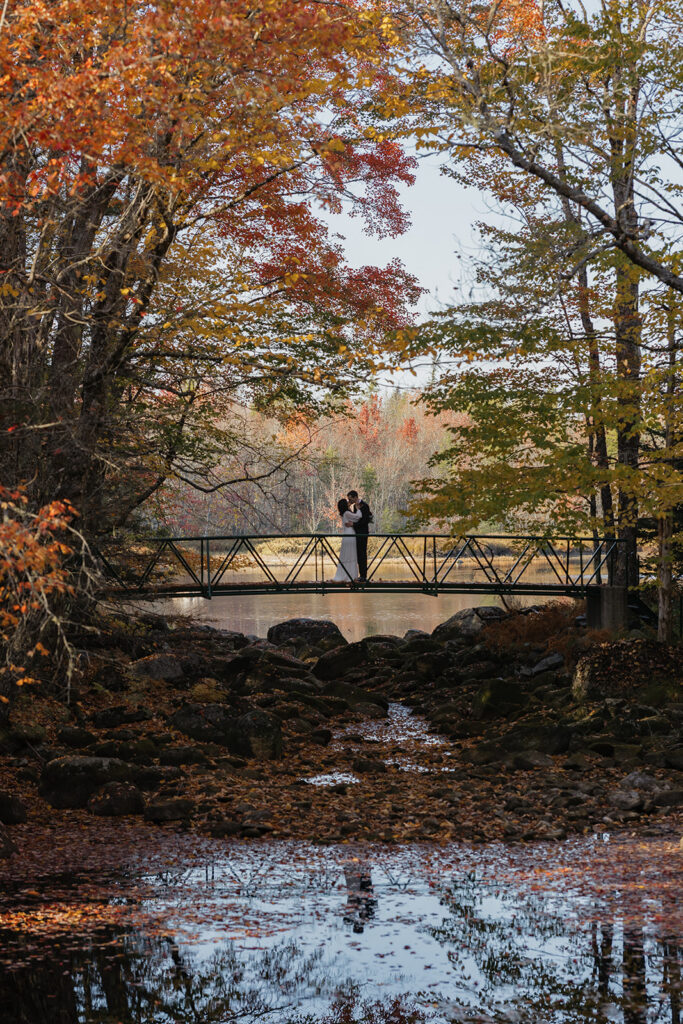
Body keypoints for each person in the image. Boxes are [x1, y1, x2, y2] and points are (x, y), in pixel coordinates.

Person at [332, 498, 362, 582]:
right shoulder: (347, 513)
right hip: (350, 535)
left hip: (346, 534)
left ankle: (346, 574)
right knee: (351, 554)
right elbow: (358, 517)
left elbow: (353, 518)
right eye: (347, 502)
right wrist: (358, 509)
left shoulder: (344, 513)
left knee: (347, 555)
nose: (348, 503)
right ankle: (350, 576)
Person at [347, 489, 373, 582]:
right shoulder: (354, 507)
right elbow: (354, 517)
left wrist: (353, 525)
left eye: (350, 499)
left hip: (363, 533)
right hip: (356, 533)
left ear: (355, 497)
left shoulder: (365, 506)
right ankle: (360, 575)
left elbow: (364, 521)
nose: (349, 501)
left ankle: (363, 576)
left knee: (362, 554)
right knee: (358, 554)